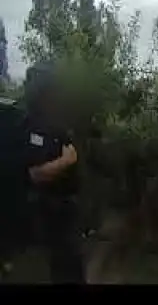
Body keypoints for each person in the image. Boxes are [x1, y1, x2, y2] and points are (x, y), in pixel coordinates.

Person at [22, 62, 85, 284]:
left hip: (66, 210)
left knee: (71, 266)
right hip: (49, 210)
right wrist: (67, 160)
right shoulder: (33, 125)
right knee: (64, 267)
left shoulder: (55, 121)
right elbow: (35, 174)